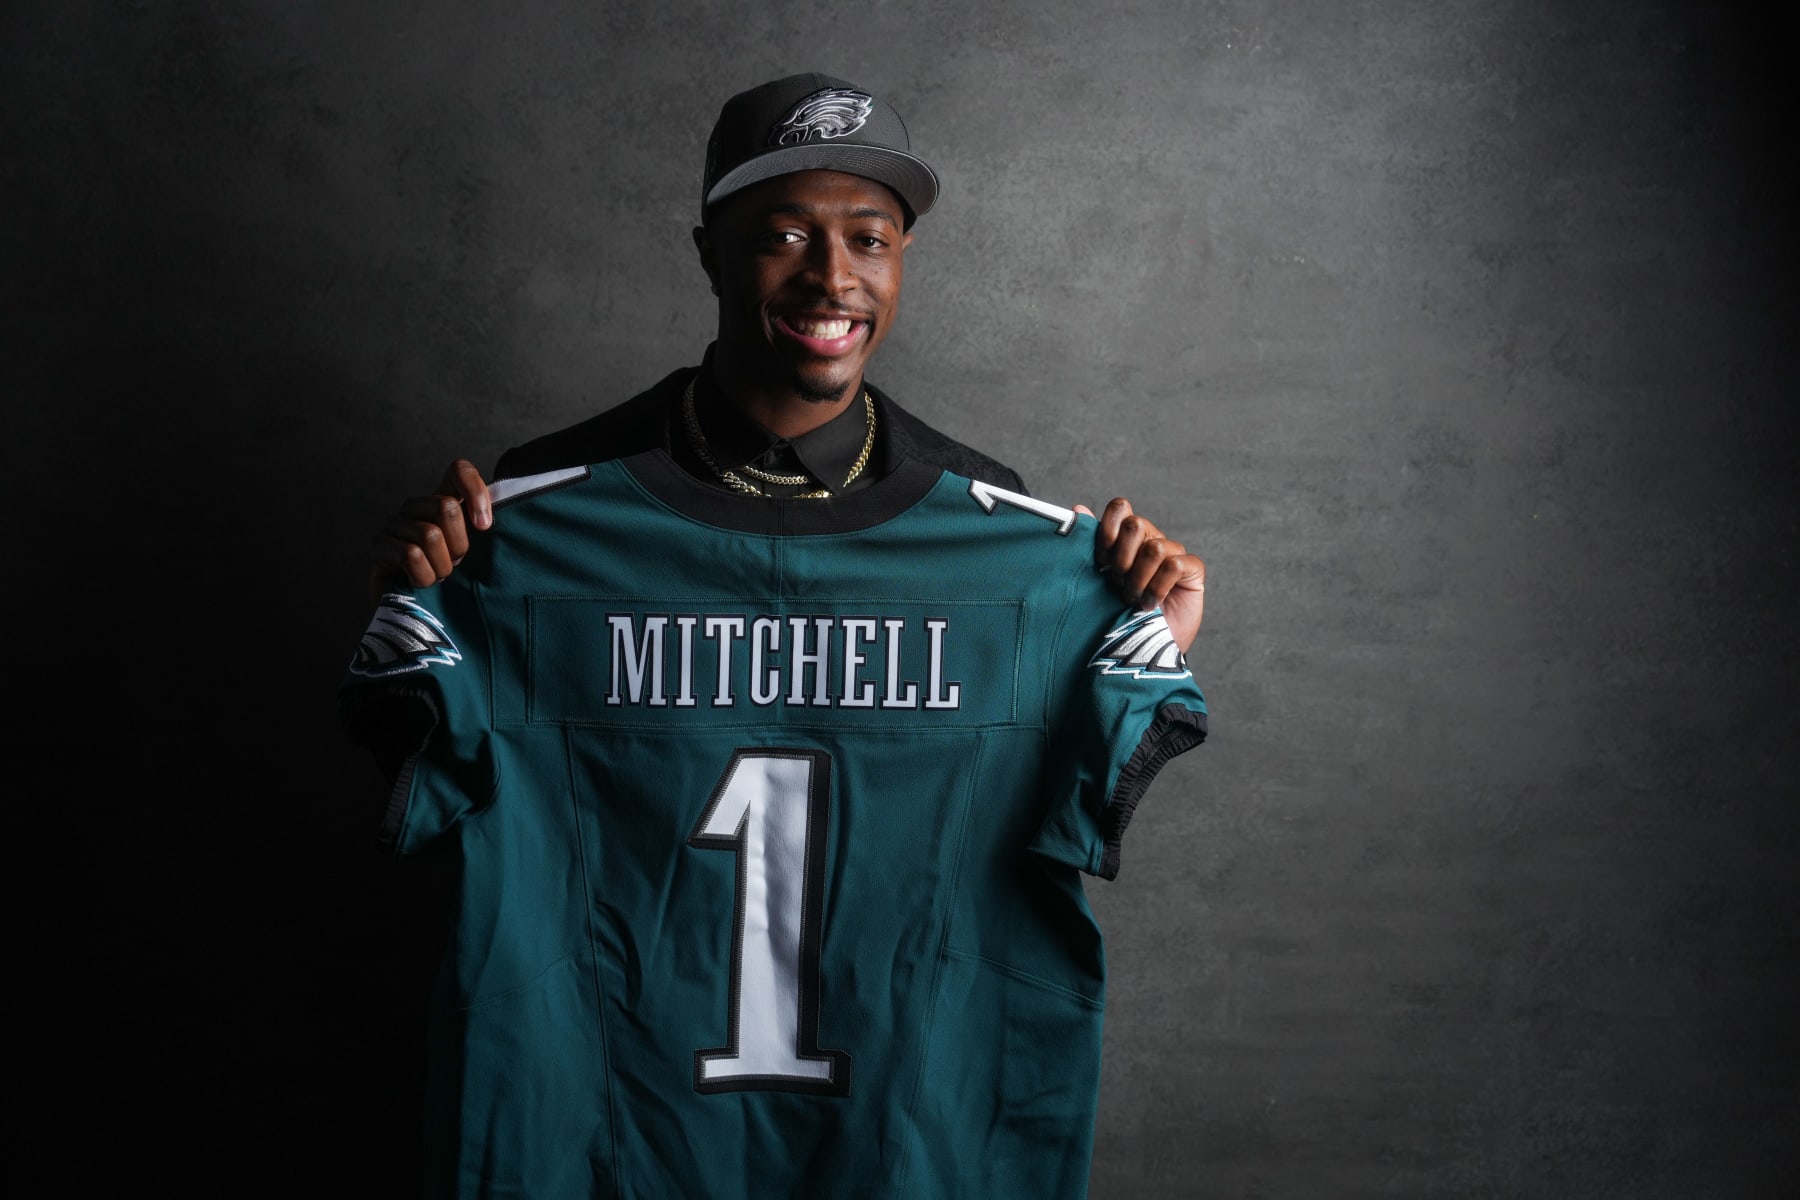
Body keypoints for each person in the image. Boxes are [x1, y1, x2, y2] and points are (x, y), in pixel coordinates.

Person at [342, 71, 1208, 1200]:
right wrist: (424, 589)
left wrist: (1145, 632)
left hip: (895, 1144)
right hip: (610, 1145)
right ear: (707, 250)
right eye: (784, 233)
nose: (833, 276)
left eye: (871, 237)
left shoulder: (1011, 545)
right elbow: (428, 754)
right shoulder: (530, 524)